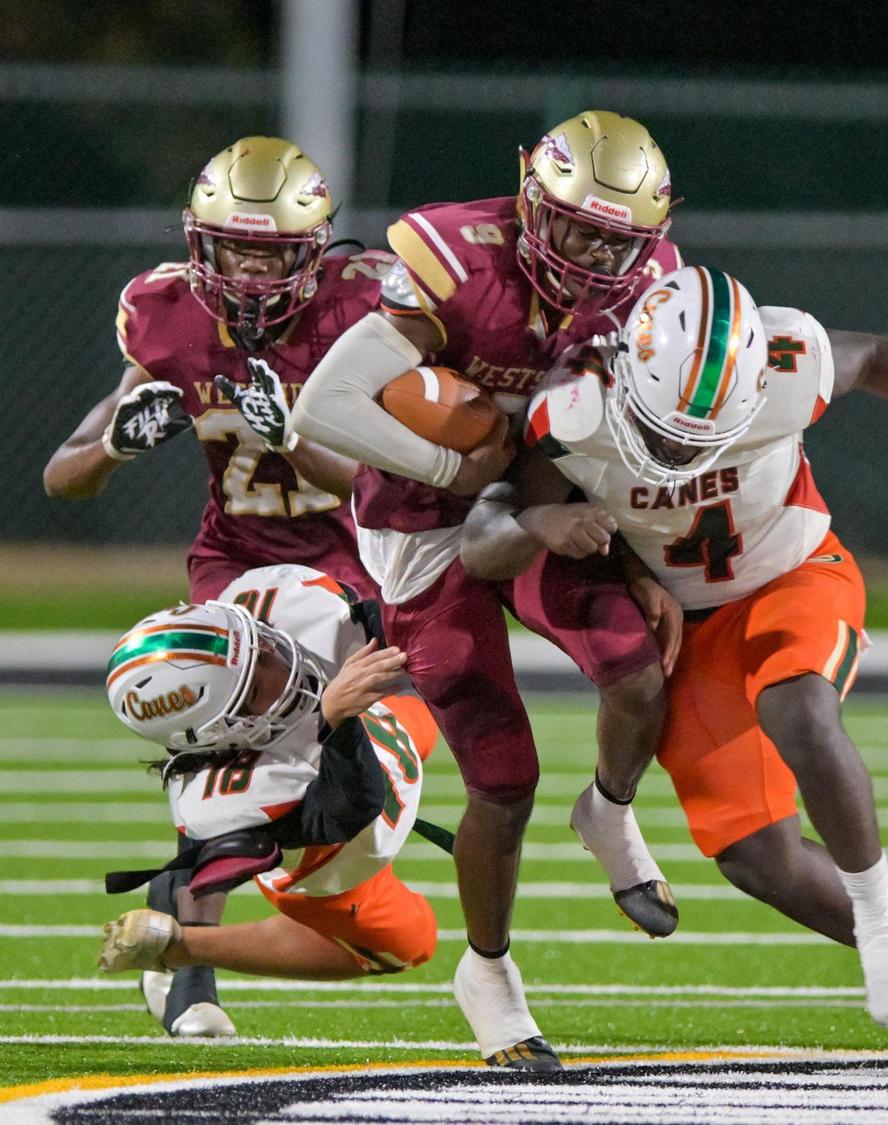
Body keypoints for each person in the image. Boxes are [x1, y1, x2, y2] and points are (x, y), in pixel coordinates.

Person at [460, 265, 888, 1076]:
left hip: (797, 572)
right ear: (627, 375)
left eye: (705, 429)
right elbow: (496, 533)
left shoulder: (789, 363)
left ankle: (883, 923)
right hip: (699, 625)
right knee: (757, 858)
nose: (684, 448)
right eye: (669, 428)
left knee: (799, 708)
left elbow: (880, 357)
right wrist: (559, 529)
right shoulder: (571, 411)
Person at [290, 110, 686, 1070]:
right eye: (579, 225)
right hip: (423, 526)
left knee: (638, 672)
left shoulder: (653, 287)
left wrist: (635, 554)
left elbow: (621, 433)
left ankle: (611, 808)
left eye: (615, 238)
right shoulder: (456, 257)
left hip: (541, 499)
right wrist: (450, 463)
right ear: (528, 192)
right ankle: (489, 969)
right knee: (502, 778)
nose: (594, 252)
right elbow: (324, 406)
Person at [43, 136, 394, 1037]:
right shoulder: (171, 317)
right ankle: (189, 955)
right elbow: (62, 474)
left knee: (348, 784)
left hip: (361, 563)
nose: (250, 269)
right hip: (238, 567)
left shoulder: (369, 315)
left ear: (314, 249)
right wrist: (118, 441)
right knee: (231, 760)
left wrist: (299, 435)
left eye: (273, 252)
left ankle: (206, 905)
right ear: (200, 240)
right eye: (235, 246)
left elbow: (387, 482)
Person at [98, 563, 439, 1004]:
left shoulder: (270, 619)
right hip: (337, 867)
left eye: (260, 645)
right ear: (218, 731)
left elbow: (385, 618)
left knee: (432, 707)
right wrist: (336, 720)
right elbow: (351, 808)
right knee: (413, 940)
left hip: (384, 736)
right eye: (258, 682)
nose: (281, 661)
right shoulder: (234, 798)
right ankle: (182, 946)